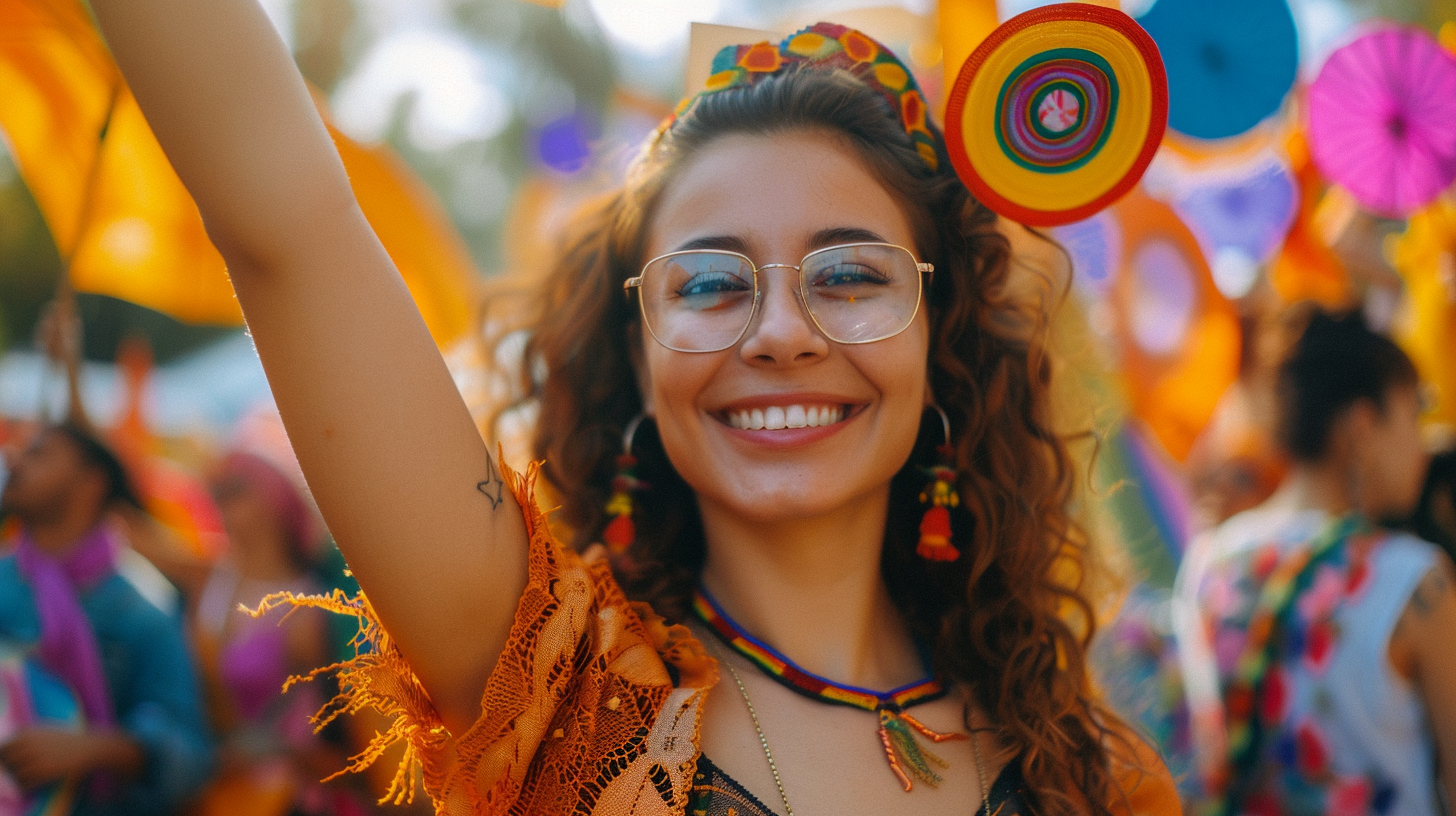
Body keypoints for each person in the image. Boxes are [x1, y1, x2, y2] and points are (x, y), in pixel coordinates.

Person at [86, 3, 1177, 814]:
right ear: (634, 355)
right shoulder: (557, 689)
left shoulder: (1089, 771)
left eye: (850, 274)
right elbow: (289, 225)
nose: (781, 331)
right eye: (707, 283)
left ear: (942, 339)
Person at [1175, 308, 1456, 815]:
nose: (1424, 442)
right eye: (1415, 412)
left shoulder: (1205, 564)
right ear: (1362, 424)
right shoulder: (1413, 578)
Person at [0, 422, 214, 815]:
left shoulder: (145, 609)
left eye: (39, 454)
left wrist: (97, 748)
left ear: (92, 483)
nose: (15, 461)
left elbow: (191, 757)